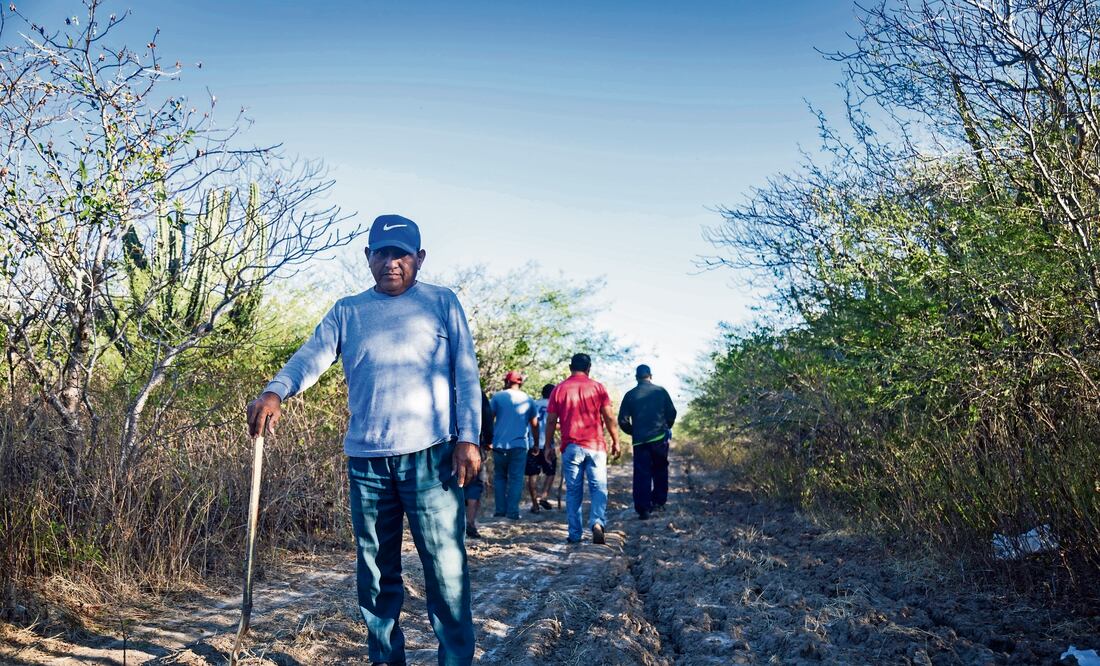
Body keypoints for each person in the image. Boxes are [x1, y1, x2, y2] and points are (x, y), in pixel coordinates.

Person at [246, 214, 480, 666]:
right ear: (368, 257)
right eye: (382, 253)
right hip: (368, 462)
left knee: (445, 570)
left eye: (402, 254)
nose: (392, 262)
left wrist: (469, 438)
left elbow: (465, 375)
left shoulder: (442, 302)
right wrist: (275, 390)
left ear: (420, 258)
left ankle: (456, 660)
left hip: (432, 457)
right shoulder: (347, 310)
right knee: (375, 575)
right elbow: (310, 357)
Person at [544, 353, 620, 544]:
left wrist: (548, 445)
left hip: (571, 446)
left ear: (570, 367)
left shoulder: (559, 389)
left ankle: (575, 533)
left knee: (573, 491)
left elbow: (551, 420)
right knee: (598, 487)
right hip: (595, 446)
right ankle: (597, 522)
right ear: (589, 368)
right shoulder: (597, 388)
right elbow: (609, 417)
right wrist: (615, 440)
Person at [617, 364, 677, 520]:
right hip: (659, 439)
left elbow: (622, 420)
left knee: (642, 473)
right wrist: (666, 427)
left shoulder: (630, 395)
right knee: (660, 469)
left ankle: (643, 509)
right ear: (651, 376)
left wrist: (634, 431)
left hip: (640, 441)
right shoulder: (660, 391)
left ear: (636, 377)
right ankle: (658, 502)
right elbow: (672, 413)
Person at [489, 371, 539, 520]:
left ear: (506, 381)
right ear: (520, 382)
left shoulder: (497, 397)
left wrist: (487, 440)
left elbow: (489, 419)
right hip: (519, 445)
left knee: (500, 477)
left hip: (499, 444)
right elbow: (534, 425)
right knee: (516, 479)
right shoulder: (528, 399)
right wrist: (536, 443)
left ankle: (500, 510)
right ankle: (512, 512)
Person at [463, 391, 494, 538]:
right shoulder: (477, 393)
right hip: (475, 445)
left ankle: (455, 525)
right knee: (475, 485)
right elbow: (487, 418)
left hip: (446, 447)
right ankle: (470, 522)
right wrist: (488, 440)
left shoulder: (444, 386)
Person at [525, 383, 557, 511]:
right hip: (548, 443)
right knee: (551, 471)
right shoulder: (553, 405)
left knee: (532, 474)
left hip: (532, 444)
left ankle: (535, 504)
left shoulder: (533, 404)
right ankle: (544, 496)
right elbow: (555, 423)